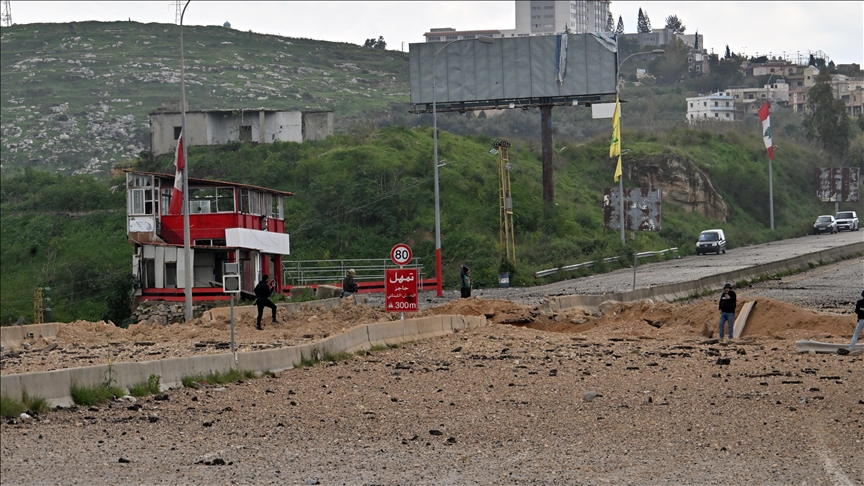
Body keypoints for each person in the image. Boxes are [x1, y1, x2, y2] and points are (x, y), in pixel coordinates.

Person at [838, 290, 864, 355]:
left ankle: (851, 347)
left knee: (856, 335)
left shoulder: (859, 302)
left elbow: (856, 311)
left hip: (861, 320)